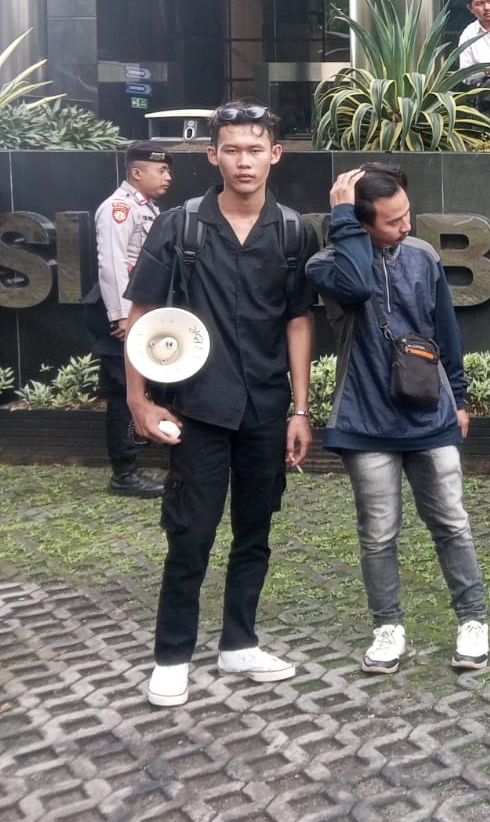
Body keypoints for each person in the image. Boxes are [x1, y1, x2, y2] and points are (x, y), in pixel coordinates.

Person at [123, 102, 317, 708]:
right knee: (191, 533)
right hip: (198, 408)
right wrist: (137, 400)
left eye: (255, 149)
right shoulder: (179, 226)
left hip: (265, 409)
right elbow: (142, 315)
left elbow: (298, 321)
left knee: (255, 531)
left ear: (275, 154)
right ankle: (171, 656)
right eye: (231, 149)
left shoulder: (293, 232)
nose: (244, 161)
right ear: (212, 156)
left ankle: (239, 643)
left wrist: (301, 409)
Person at [307, 166, 489, 674]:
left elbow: (445, 329)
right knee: (379, 533)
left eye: (407, 213)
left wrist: (460, 398)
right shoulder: (327, 264)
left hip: (431, 413)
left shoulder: (423, 255)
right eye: (392, 221)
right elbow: (356, 286)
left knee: (452, 523)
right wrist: (343, 219)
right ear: (360, 223)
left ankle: (473, 620)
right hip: (365, 419)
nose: (406, 226)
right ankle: (387, 628)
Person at [91, 141, 173, 498]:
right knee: (125, 390)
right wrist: (122, 318)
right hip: (123, 315)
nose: (168, 177)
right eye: (162, 170)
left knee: (152, 385)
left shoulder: (147, 207)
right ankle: (124, 473)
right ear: (137, 173)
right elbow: (111, 265)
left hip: (146, 312)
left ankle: (151, 456)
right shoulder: (119, 208)